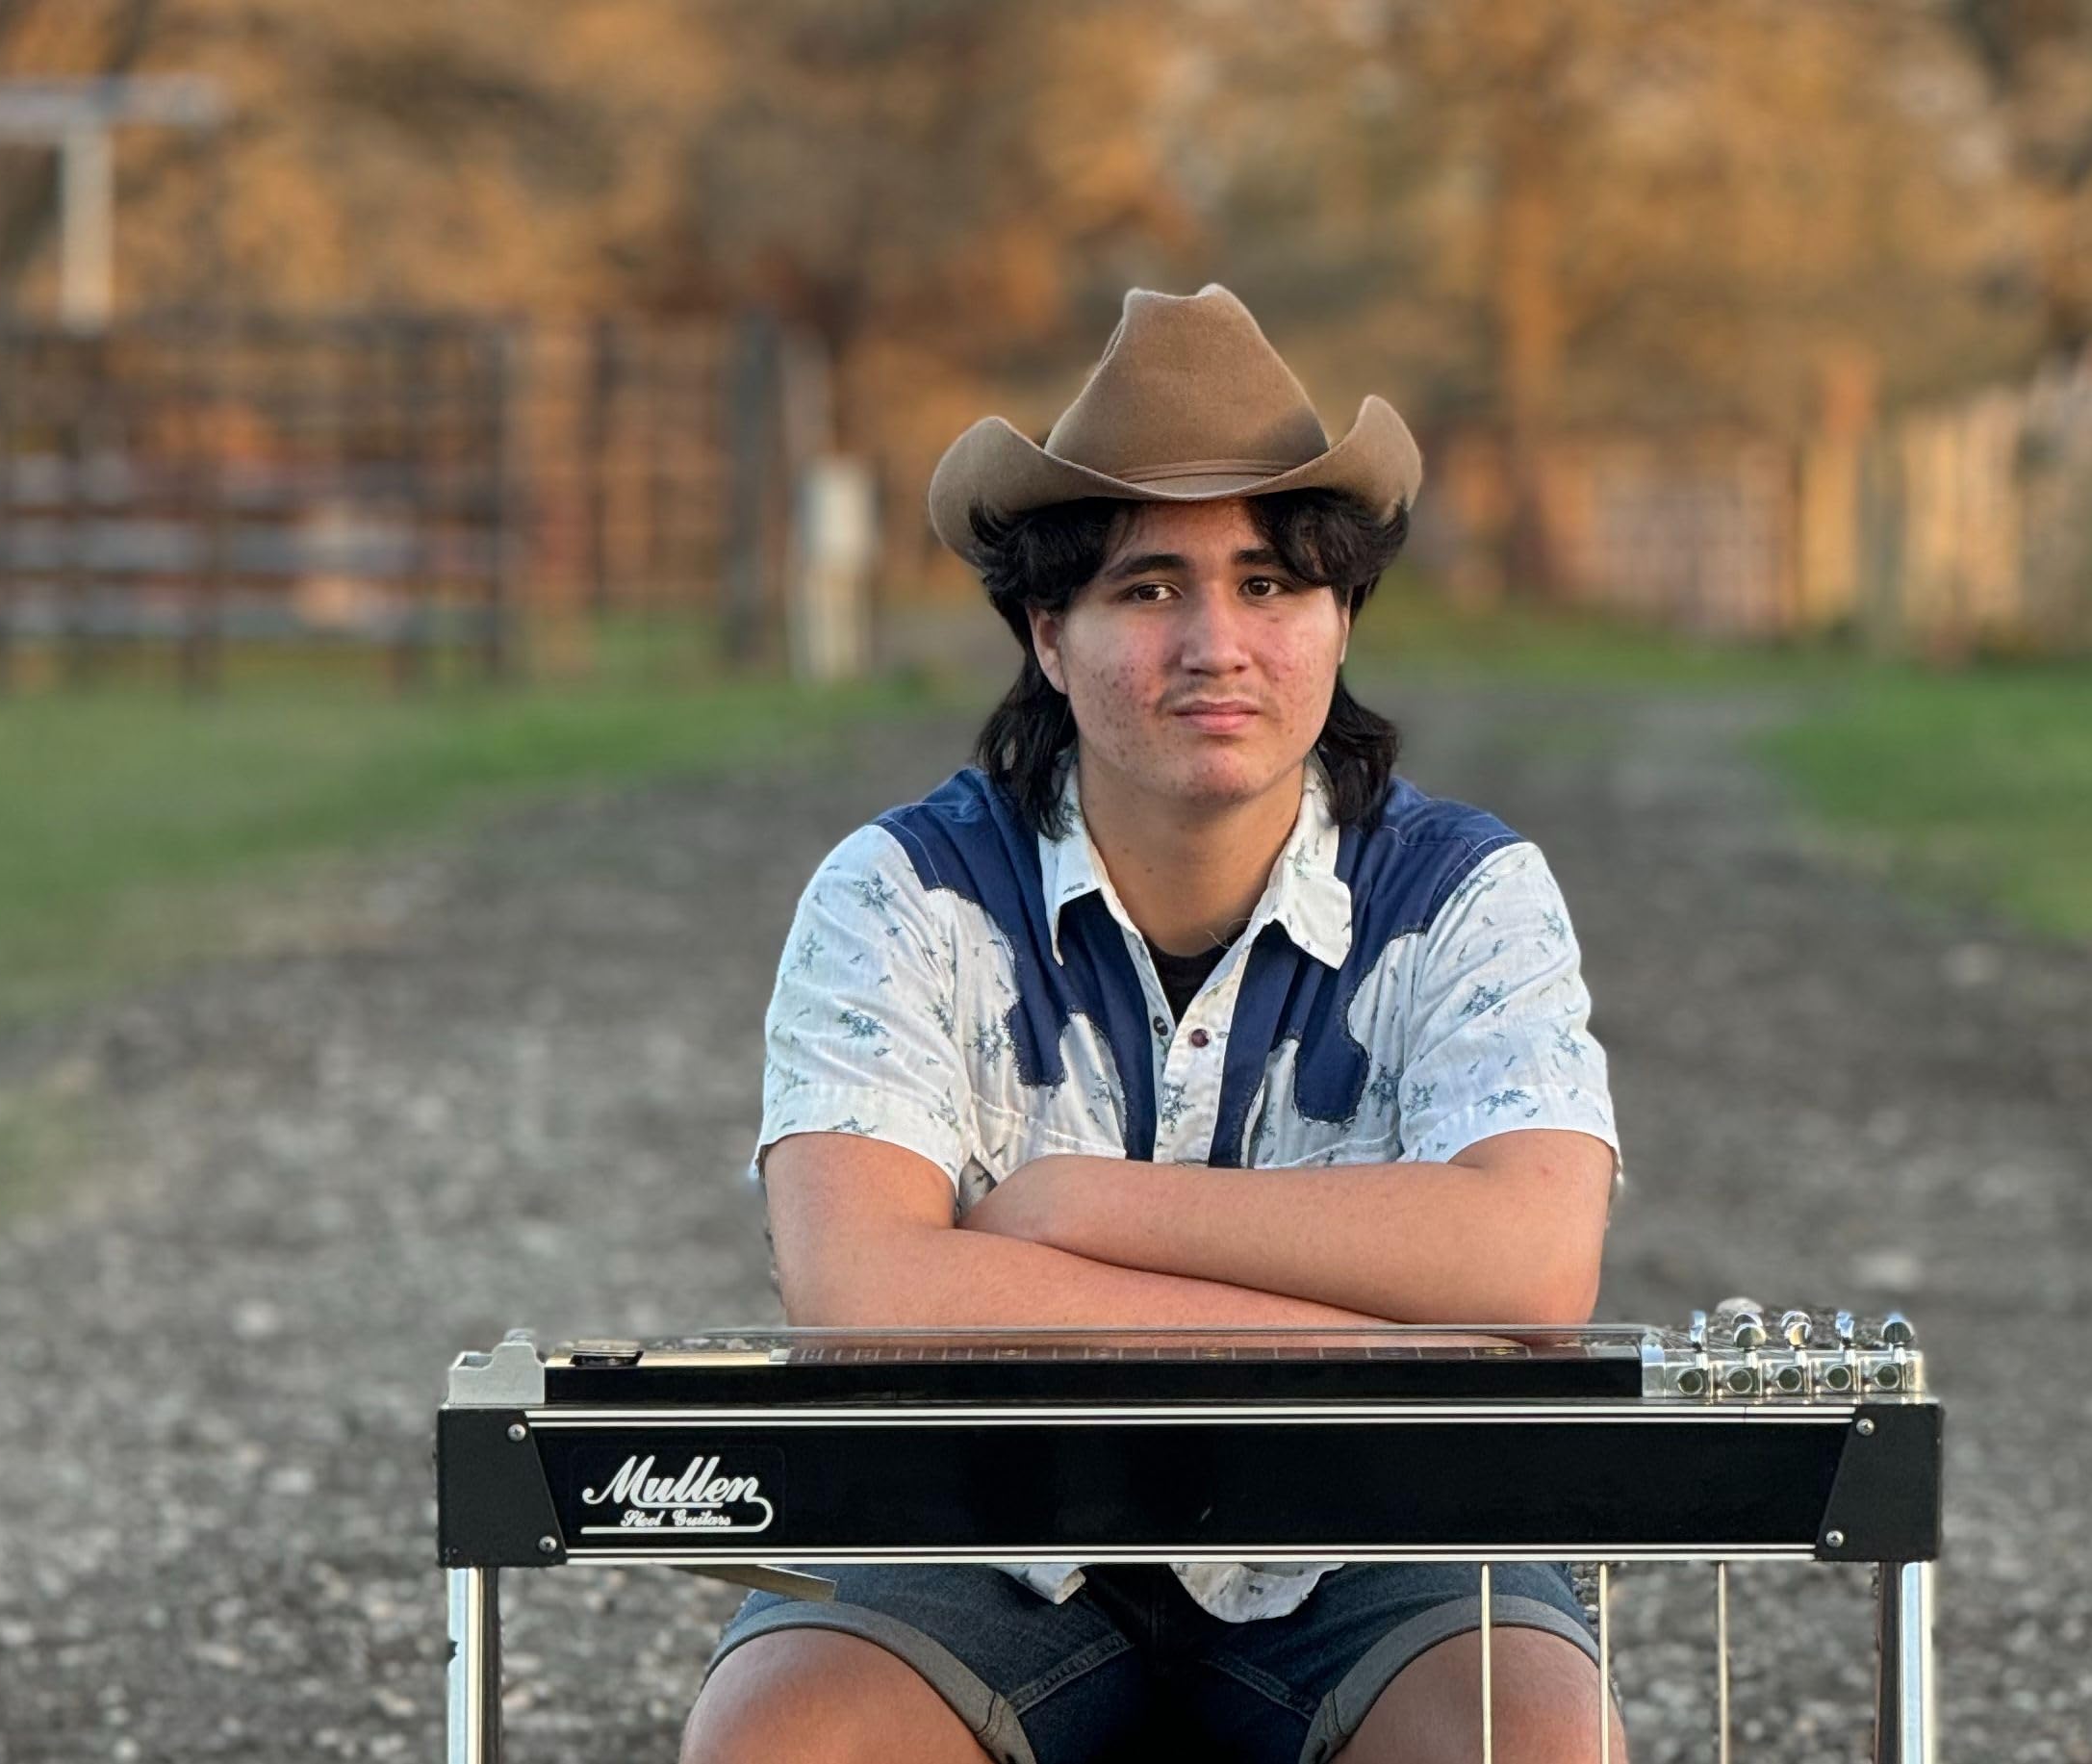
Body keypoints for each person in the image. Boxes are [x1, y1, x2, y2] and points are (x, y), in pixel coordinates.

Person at [680, 285, 1628, 1764]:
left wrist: (1072, 1205)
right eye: (1147, 589)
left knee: (1529, 1744)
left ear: (1339, 616)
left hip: (1370, 1542)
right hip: (982, 1532)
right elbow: (863, 1288)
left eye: (1268, 583)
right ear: (1046, 635)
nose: (1217, 643)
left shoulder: (1465, 892)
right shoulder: (903, 892)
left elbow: (1534, 1263)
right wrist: (1376, 1349)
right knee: (783, 1743)